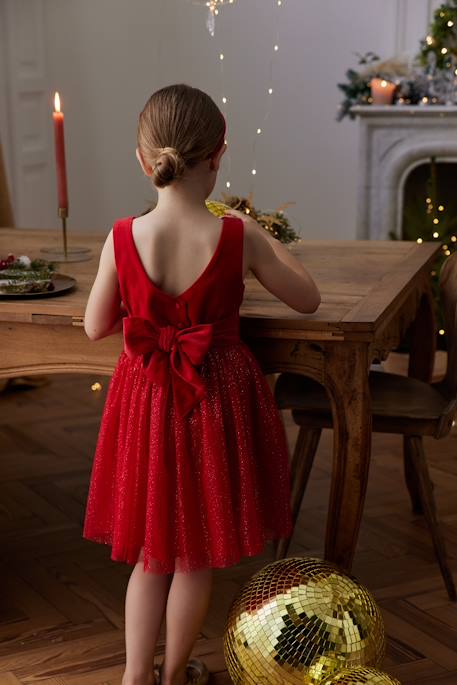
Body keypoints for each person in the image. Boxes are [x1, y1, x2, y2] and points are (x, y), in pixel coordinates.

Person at [82, 83, 320, 685]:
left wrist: (144, 309)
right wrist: (253, 229)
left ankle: (136, 677)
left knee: (149, 553)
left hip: (147, 398)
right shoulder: (236, 238)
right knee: (191, 554)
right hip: (217, 400)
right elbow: (309, 299)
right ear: (219, 154)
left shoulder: (120, 236)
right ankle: (173, 676)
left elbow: (94, 327)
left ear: (144, 159)